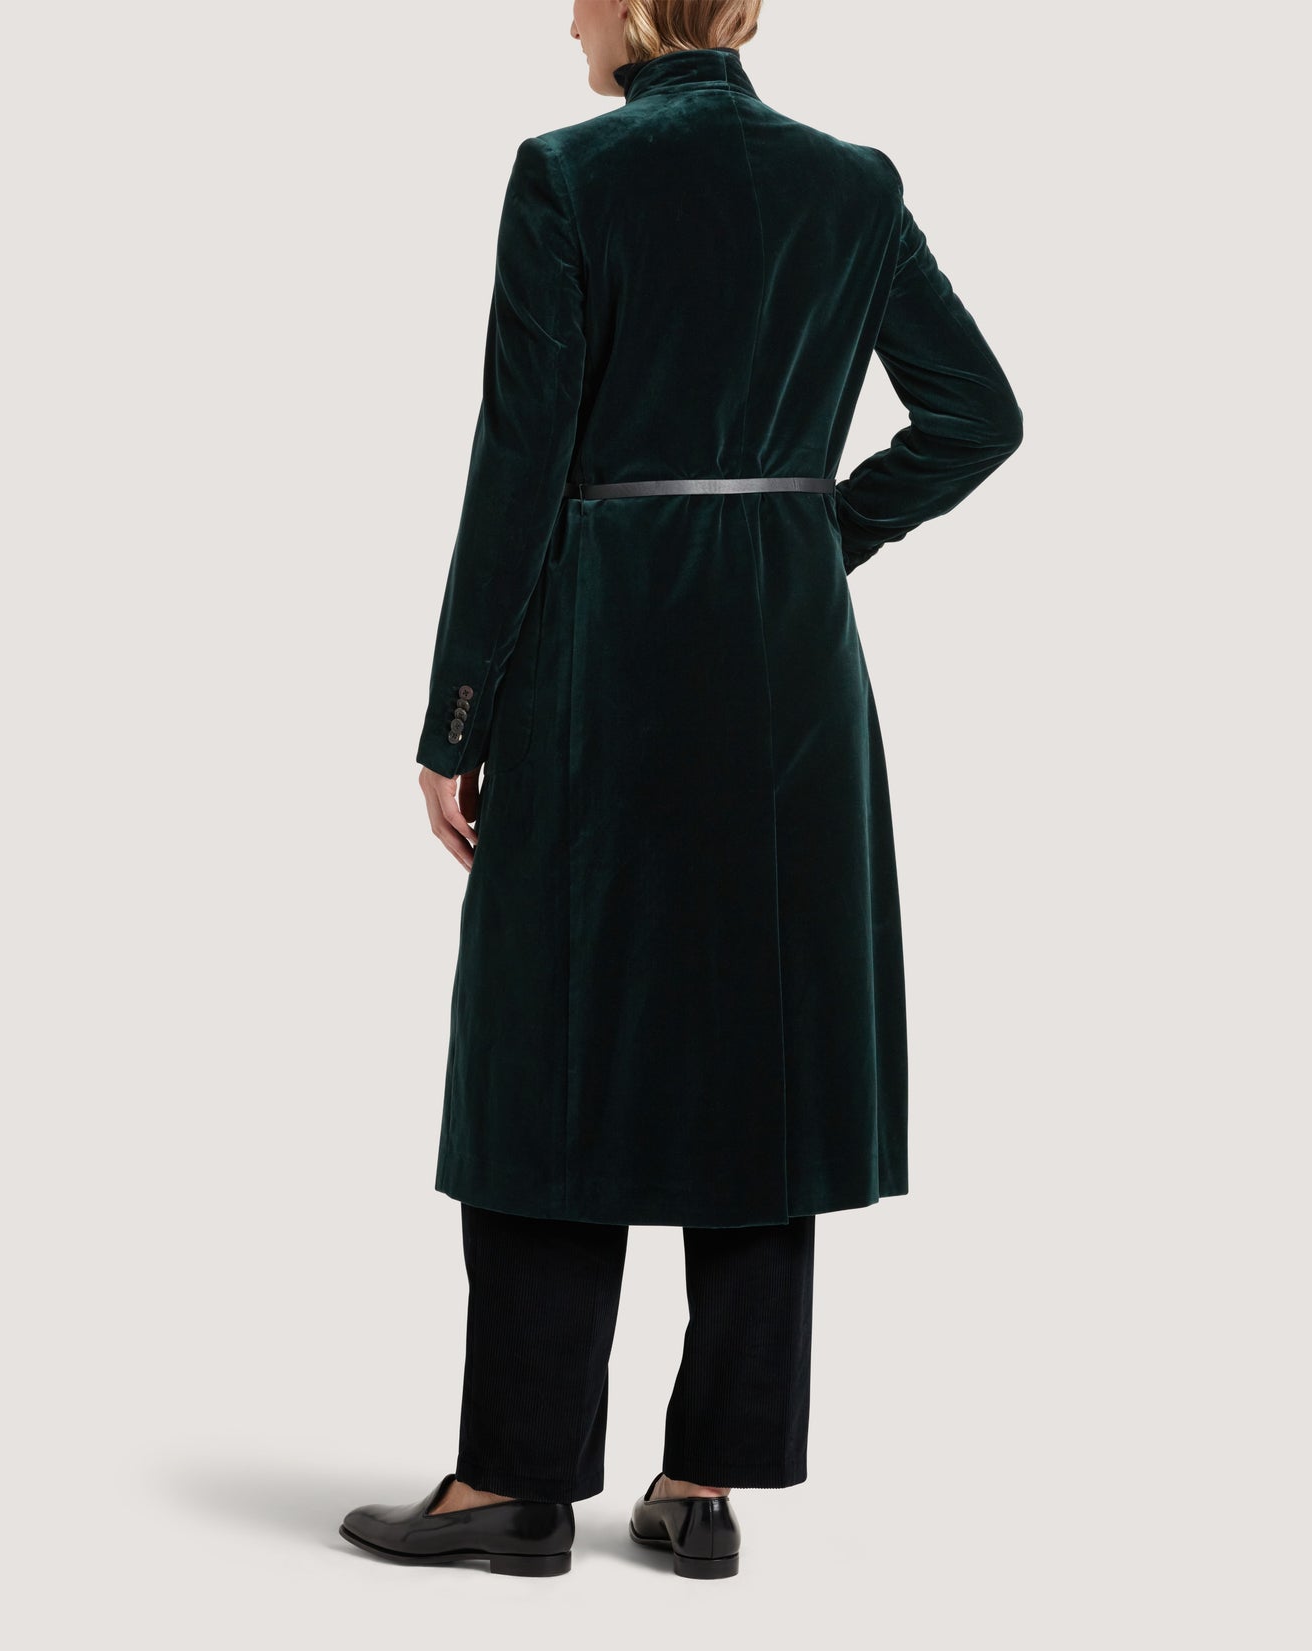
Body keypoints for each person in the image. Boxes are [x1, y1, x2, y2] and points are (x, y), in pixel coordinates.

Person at [340, 0, 1022, 1580]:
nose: (563, 20)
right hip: (788, 670)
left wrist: (455, 715)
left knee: (549, 1045)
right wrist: (815, 532)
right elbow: (975, 414)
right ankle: (705, 1480)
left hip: (603, 650)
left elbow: (521, 456)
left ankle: (512, 1485)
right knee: (758, 1049)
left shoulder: (570, 172)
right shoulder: (850, 180)